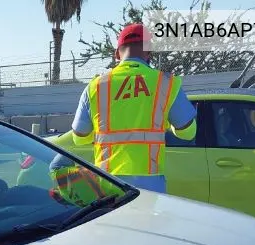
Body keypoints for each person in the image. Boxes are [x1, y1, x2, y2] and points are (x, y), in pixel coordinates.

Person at [71, 23, 197, 193]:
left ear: (117, 53)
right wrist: (167, 124)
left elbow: (78, 137)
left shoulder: (95, 86)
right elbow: (188, 132)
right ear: (148, 52)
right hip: (151, 186)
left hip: (107, 184)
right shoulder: (166, 83)